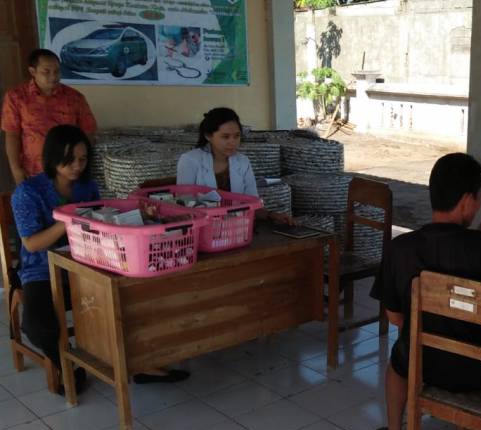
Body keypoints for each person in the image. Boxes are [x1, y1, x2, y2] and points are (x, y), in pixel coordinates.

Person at [12, 125, 187, 393]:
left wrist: (140, 217)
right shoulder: (28, 192)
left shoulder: (87, 187)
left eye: (82, 159)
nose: (77, 166)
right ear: (52, 157)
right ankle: (67, 364)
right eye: (69, 160)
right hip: (43, 270)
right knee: (37, 326)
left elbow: (102, 224)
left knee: (135, 298)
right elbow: (32, 244)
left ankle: (140, 364)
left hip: (89, 263)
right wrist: (69, 220)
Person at [369, 153, 481, 430]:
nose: (478, 205)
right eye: (478, 198)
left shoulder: (401, 248)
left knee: (399, 359)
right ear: (467, 200)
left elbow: (395, 317)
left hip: (422, 366)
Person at [176, 107, 291, 223]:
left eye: (236, 136)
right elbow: (184, 205)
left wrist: (271, 215)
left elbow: (252, 203)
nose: (232, 142)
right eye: (225, 137)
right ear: (208, 136)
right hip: (203, 227)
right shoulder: (190, 160)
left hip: (238, 227)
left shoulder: (243, 162)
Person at [2, 49, 97, 185]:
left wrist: (81, 166)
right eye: (46, 72)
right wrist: (16, 169)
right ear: (33, 71)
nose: (53, 76)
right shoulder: (16, 97)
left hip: (68, 173)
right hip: (32, 172)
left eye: (57, 71)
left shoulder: (75, 98)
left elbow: (88, 133)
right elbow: (12, 135)